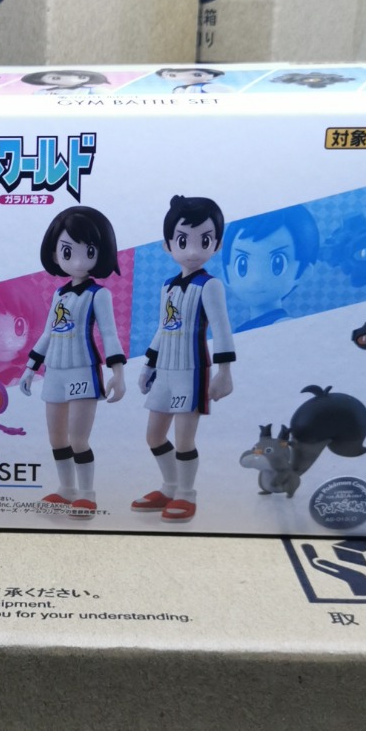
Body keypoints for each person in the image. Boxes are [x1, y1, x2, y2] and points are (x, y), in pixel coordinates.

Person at [19, 206, 126, 514]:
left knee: (78, 439)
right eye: (68, 251)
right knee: (57, 438)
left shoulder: (98, 295)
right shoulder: (59, 295)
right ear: (55, 253)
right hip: (54, 371)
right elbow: (48, 332)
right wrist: (30, 368)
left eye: (89, 251)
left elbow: (109, 334)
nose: (78, 261)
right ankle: (66, 489)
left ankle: (87, 494)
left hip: (83, 370)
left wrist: (118, 373)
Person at [135, 195, 235, 523]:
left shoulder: (210, 285)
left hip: (192, 371)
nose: (192, 250)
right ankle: (169, 486)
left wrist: (224, 372)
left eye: (204, 240)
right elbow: (163, 328)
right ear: (168, 245)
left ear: (217, 244)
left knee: (183, 440)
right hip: (164, 371)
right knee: (154, 436)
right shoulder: (167, 286)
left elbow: (221, 328)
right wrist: (148, 365)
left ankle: (186, 494)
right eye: (182, 241)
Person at [221, 205, 319, 332]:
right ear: (226, 273)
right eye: (242, 265)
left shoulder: (283, 326)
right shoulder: (245, 328)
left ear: (303, 272)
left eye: (278, 264)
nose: (256, 279)